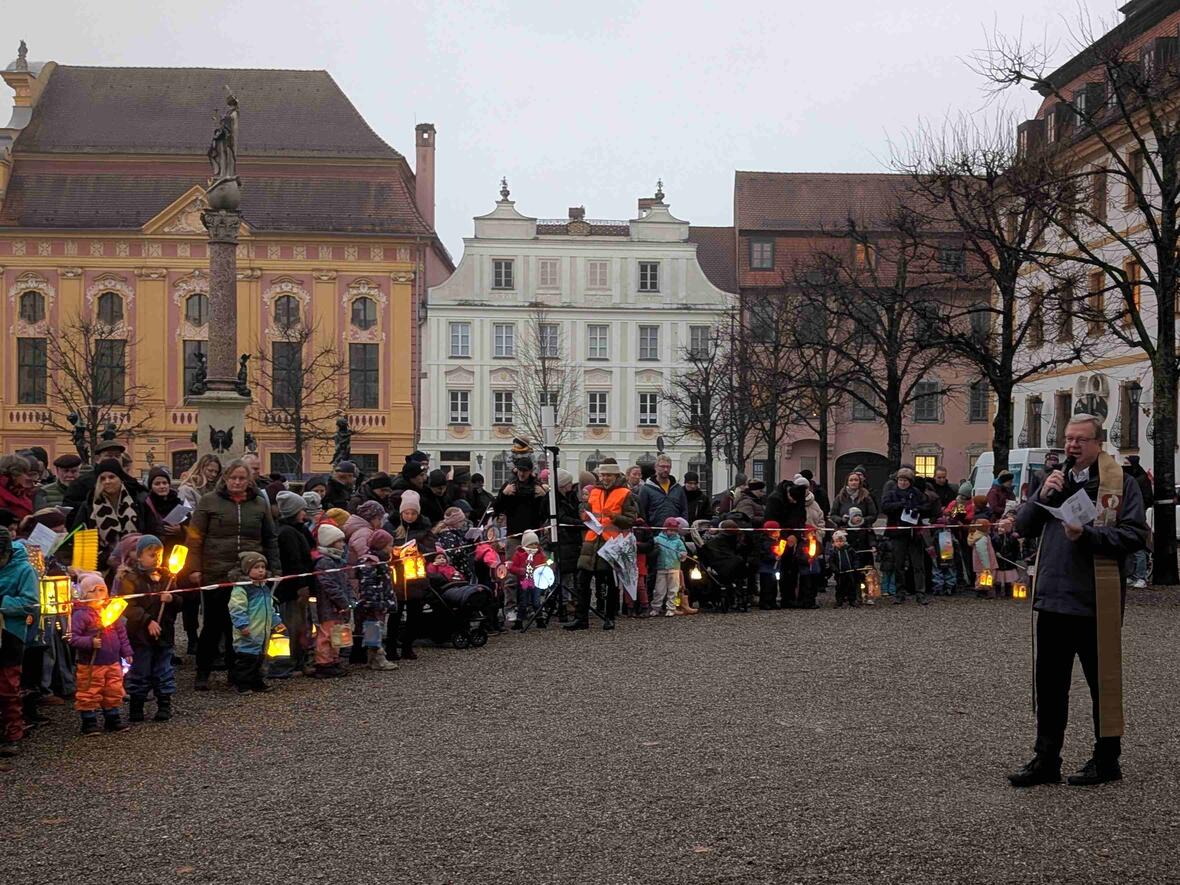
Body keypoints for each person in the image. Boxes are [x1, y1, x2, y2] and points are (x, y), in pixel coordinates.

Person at [1007, 414, 1148, 788]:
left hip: (1093, 602)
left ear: (1098, 444)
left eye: (1080, 440)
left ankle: (1106, 759)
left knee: (1102, 683)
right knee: (1050, 686)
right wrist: (1041, 496)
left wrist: (1086, 535)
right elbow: (1023, 525)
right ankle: (1046, 758)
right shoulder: (1053, 479)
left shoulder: (1122, 484)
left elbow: (1135, 536)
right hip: (1053, 599)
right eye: (1069, 439)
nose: (1071, 446)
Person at [187, 459, 281, 691]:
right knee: (212, 624)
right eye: (233, 478)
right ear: (225, 479)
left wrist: (275, 569)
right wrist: (194, 568)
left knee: (239, 626)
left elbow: (269, 538)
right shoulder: (209, 501)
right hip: (215, 571)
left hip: (247, 574)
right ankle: (203, 671)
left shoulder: (259, 503)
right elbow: (194, 538)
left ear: (248, 480)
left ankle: (236, 672)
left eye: (242, 478)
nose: (237, 482)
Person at [567, 461, 637, 632]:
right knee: (583, 582)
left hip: (610, 543)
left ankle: (610, 617)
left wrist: (614, 517)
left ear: (615, 476)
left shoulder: (625, 493)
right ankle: (581, 618)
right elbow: (586, 509)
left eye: (608, 475)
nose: (605, 478)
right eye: (603, 475)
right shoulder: (594, 491)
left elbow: (631, 519)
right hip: (592, 541)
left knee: (610, 583)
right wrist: (583, 514)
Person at [119, 536, 181, 723]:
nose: (157, 558)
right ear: (139, 556)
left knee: (164, 671)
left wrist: (172, 599)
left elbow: (180, 602)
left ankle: (164, 705)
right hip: (140, 636)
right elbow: (129, 605)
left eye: (160, 554)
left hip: (164, 634)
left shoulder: (168, 578)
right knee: (140, 671)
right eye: (152, 554)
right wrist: (147, 621)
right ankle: (136, 706)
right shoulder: (130, 578)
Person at [68, 459, 161, 573]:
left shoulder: (138, 501)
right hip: (102, 569)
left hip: (138, 565)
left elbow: (154, 530)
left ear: (120, 478)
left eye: (112, 477)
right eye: (102, 478)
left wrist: (144, 553)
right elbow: (78, 538)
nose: (107, 481)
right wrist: (106, 558)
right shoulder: (88, 506)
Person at [69, 574, 133, 735]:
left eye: (102, 590)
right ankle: (89, 720)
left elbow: (121, 633)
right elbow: (73, 638)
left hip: (112, 661)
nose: (98, 594)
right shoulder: (80, 615)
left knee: (113, 689)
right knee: (89, 690)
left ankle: (112, 717)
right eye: (93, 591)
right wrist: (90, 642)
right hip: (91, 664)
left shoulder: (110, 613)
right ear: (84, 595)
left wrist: (126, 651)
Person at [0, 526, 38, 756]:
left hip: (10, 634)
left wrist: (2, 602)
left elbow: (30, 604)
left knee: (7, 686)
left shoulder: (24, 569)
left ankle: (13, 732)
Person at [271, 491, 314, 679]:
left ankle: (299, 661)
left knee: (302, 625)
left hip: (296, 586)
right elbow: (295, 562)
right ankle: (291, 664)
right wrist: (301, 586)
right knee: (294, 626)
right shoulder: (287, 533)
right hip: (291, 589)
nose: (305, 513)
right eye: (302, 509)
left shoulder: (297, 529)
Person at [227, 551, 282, 694]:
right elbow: (236, 608)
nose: (261, 570)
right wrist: (242, 625)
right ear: (247, 569)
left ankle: (257, 681)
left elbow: (269, 607)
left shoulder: (263, 587)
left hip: (262, 633)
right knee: (246, 660)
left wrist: (276, 622)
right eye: (256, 567)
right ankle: (242, 684)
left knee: (259, 659)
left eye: (263, 567)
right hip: (248, 631)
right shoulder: (241, 589)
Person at [880, 467, 930, 605]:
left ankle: (920, 592)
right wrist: (900, 506)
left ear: (910, 482)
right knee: (898, 564)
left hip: (914, 533)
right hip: (897, 533)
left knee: (918, 565)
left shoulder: (917, 493)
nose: (902, 483)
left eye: (905, 480)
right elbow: (884, 507)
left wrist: (916, 509)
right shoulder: (891, 493)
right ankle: (899, 593)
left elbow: (928, 507)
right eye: (900, 480)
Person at [313, 524, 352, 678]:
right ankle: (323, 663)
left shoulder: (338, 561)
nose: (343, 544)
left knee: (337, 634)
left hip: (339, 606)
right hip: (329, 606)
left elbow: (346, 582)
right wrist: (343, 601)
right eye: (339, 541)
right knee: (326, 635)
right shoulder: (325, 563)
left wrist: (350, 598)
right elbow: (330, 586)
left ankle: (333, 659)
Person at [356, 529, 398, 671]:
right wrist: (372, 601)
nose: (391, 548)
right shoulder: (370, 562)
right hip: (374, 602)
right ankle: (378, 658)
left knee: (375, 627)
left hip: (379, 601)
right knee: (373, 628)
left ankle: (372, 657)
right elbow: (368, 584)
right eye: (389, 545)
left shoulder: (379, 560)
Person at [493, 456, 550, 545]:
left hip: (532, 535)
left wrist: (544, 496)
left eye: (525, 471)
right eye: (520, 470)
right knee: (512, 558)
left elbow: (546, 512)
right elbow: (497, 508)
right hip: (514, 535)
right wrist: (503, 494)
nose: (522, 474)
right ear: (517, 470)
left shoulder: (536, 487)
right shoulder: (510, 486)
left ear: (530, 472)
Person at [1123, 455, 1153, 589]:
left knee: (1139, 548)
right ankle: (1132, 575)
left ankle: (1141, 576)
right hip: (1128, 514)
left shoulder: (1140, 479)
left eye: (1127, 463)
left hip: (1137, 515)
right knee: (1129, 547)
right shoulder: (1133, 478)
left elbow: (1145, 498)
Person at [637, 454, 688, 526]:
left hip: (675, 532)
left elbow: (684, 510)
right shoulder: (646, 488)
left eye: (668, 467)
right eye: (662, 466)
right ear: (656, 467)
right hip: (654, 532)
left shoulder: (678, 488)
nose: (666, 469)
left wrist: (683, 527)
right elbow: (642, 512)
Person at [652, 517, 688, 616]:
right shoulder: (657, 539)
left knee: (673, 590)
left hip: (674, 568)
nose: (672, 532)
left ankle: (671, 608)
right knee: (659, 590)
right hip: (661, 567)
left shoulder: (678, 541)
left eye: (674, 530)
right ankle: (656, 607)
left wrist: (682, 554)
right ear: (665, 529)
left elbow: (683, 551)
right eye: (670, 530)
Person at [0, 454, 38, 522]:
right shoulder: (4, 495)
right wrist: (21, 525)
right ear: (14, 474)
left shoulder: (18, 492)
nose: (27, 477)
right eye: (24, 473)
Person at [829, 531, 859, 608]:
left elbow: (855, 559)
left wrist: (855, 566)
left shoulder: (849, 549)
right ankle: (839, 601)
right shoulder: (834, 552)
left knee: (851, 586)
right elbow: (831, 562)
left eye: (841, 541)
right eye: (837, 541)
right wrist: (835, 569)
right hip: (839, 573)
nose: (839, 543)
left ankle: (852, 600)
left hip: (850, 571)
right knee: (839, 587)